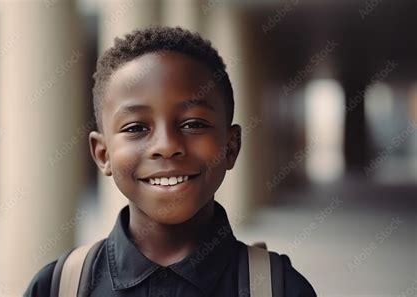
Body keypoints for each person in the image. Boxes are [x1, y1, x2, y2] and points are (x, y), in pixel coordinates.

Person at [24, 26, 316, 297]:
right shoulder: (57, 287)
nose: (166, 147)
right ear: (103, 154)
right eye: (136, 127)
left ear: (230, 146)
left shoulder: (281, 288)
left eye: (193, 124)